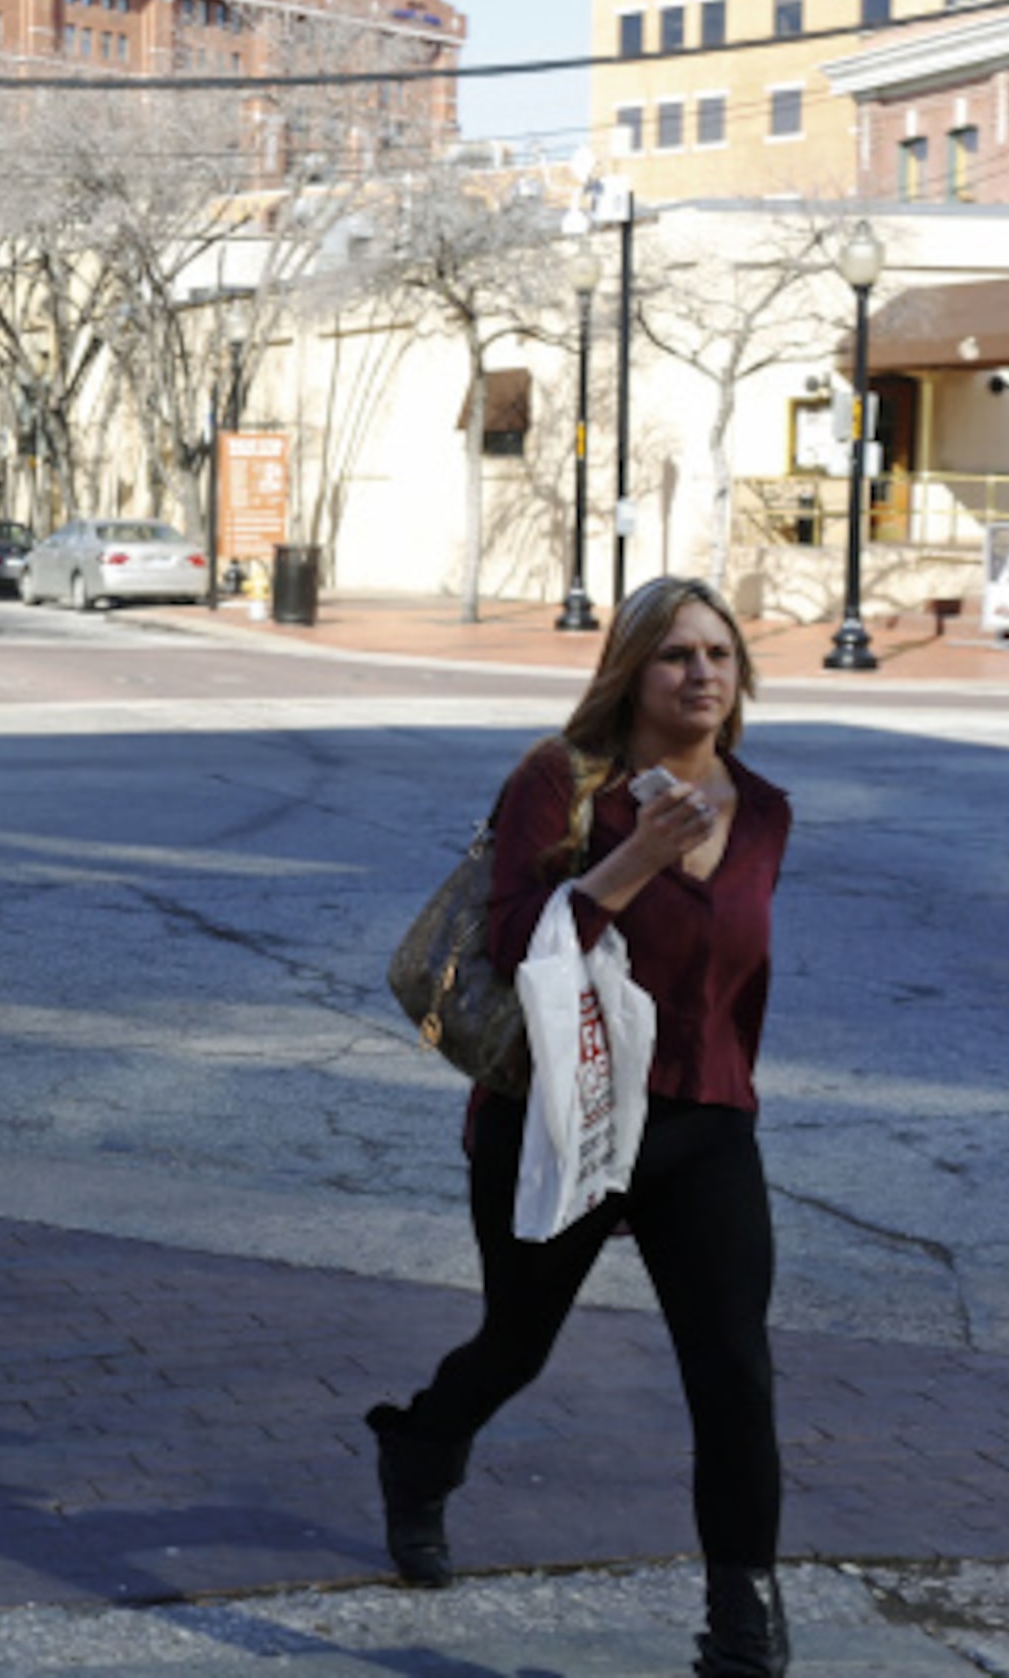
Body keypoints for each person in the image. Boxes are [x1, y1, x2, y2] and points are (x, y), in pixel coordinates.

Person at [366, 576, 795, 1678]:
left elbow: (731, 981)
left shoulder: (762, 810)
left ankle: (743, 1639)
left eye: (718, 654)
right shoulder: (557, 784)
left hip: (702, 1127)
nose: (701, 674)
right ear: (630, 672)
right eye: (675, 656)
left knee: (735, 1376)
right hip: (555, 1116)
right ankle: (420, 1452)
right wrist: (639, 851)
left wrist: (728, 1095)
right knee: (516, 1344)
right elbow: (513, 946)